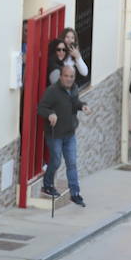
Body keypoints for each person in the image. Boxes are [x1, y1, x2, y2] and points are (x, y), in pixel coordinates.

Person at [37, 64, 90, 206]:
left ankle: (75, 193)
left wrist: (82, 106)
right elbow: (41, 108)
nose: (69, 79)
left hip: (70, 133)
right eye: (66, 76)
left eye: (71, 76)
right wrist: (50, 114)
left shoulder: (74, 89)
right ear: (61, 76)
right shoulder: (52, 91)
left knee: (72, 163)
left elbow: (75, 103)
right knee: (56, 161)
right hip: (55, 134)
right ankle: (47, 185)